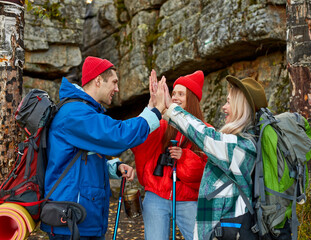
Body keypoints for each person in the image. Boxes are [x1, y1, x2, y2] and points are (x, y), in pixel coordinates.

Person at [40, 56, 166, 239]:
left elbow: (79, 161)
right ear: (98, 80)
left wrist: (113, 168)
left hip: (80, 219)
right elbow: (117, 135)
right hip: (70, 221)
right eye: (114, 82)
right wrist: (155, 111)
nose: (117, 89)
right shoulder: (75, 113)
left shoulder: (84, 111)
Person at [159, 75, 268, 240]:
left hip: (230, 230)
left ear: (241, 107)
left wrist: (171, 108)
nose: (224, 107)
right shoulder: (242, 142)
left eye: (229, 102)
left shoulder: (242, 146)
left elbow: (206, 137)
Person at [131, 70, 212, 240]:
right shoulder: (161, 124)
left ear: (192, 98)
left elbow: (206, 174)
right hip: (156, 195)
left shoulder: (206, 131)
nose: (175, 97)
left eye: (181, 94)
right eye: (173, 93)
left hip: (187, 198)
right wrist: (152, 106)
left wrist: (184, 157)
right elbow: (137, 142)